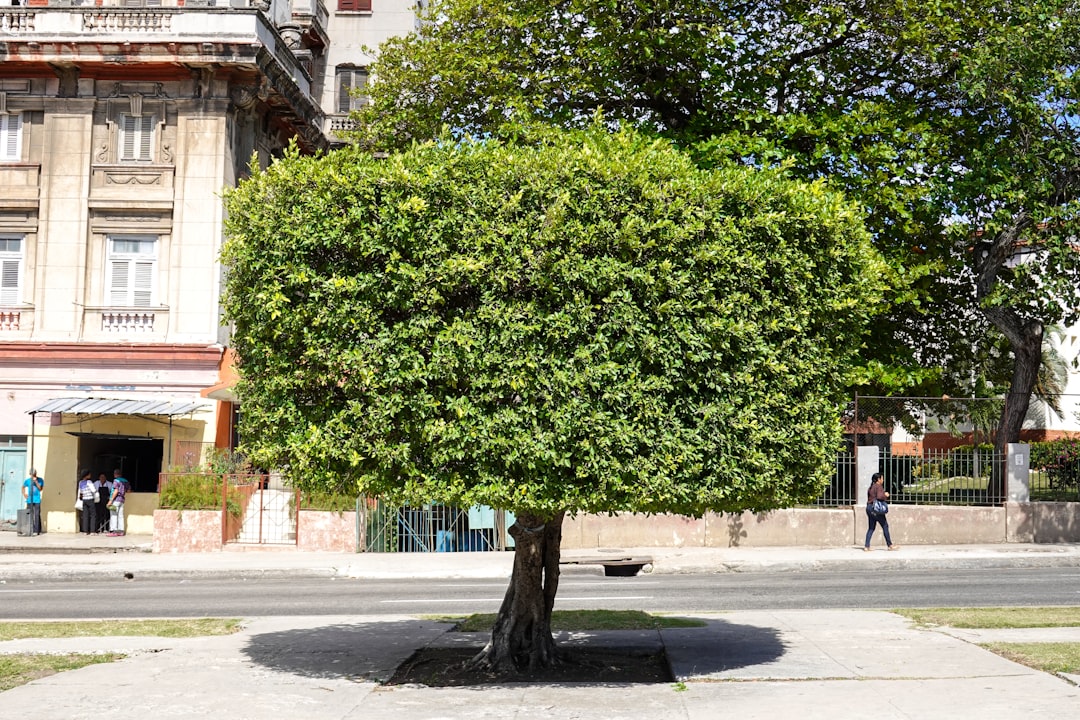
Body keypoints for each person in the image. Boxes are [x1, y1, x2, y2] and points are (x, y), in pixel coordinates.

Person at [864, 472, 898, 551]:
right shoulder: (878, 486)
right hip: (876, 509)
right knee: (885, 526)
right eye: (882, 478)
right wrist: (885, 495)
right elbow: (879, 497)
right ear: (878, 479)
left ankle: (866, 546)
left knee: (871, 528)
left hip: (869, 508)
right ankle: (890, 545)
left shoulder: (871, 487)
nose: (883, 480)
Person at [22, 468, 44, 535]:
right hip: (29, 500)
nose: (33, 476)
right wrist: (24, 494)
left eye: (34, 474)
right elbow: (23, 487)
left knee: (37, 514)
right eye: (32, 475)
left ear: (36, 474)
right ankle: (29, 529)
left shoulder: (40, 480)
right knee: (29, 514)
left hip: (37, 499)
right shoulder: (27, 481)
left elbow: (40, 489)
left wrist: (36, 481)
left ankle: (37, 530)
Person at [108, 468, 128, 536]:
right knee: (120, 516)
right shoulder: (125, 481)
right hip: (122, 500)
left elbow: (116, 491)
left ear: (115, 474)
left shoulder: (116, 481)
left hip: (116, 500)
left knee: (113, 515)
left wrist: (111, 500)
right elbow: (128, 490)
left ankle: (114, 531)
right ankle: (121, 531)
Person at [77, 470, 98, 535]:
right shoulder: (89, 482)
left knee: (85, 515)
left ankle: (85, 531)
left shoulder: (80, 482)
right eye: (89, 474)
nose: (90, 475)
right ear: (87, 475)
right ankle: (92, 531)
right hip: (90, 499)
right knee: (93, 515)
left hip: (84, 500)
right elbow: (93, 490)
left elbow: (80, 492)